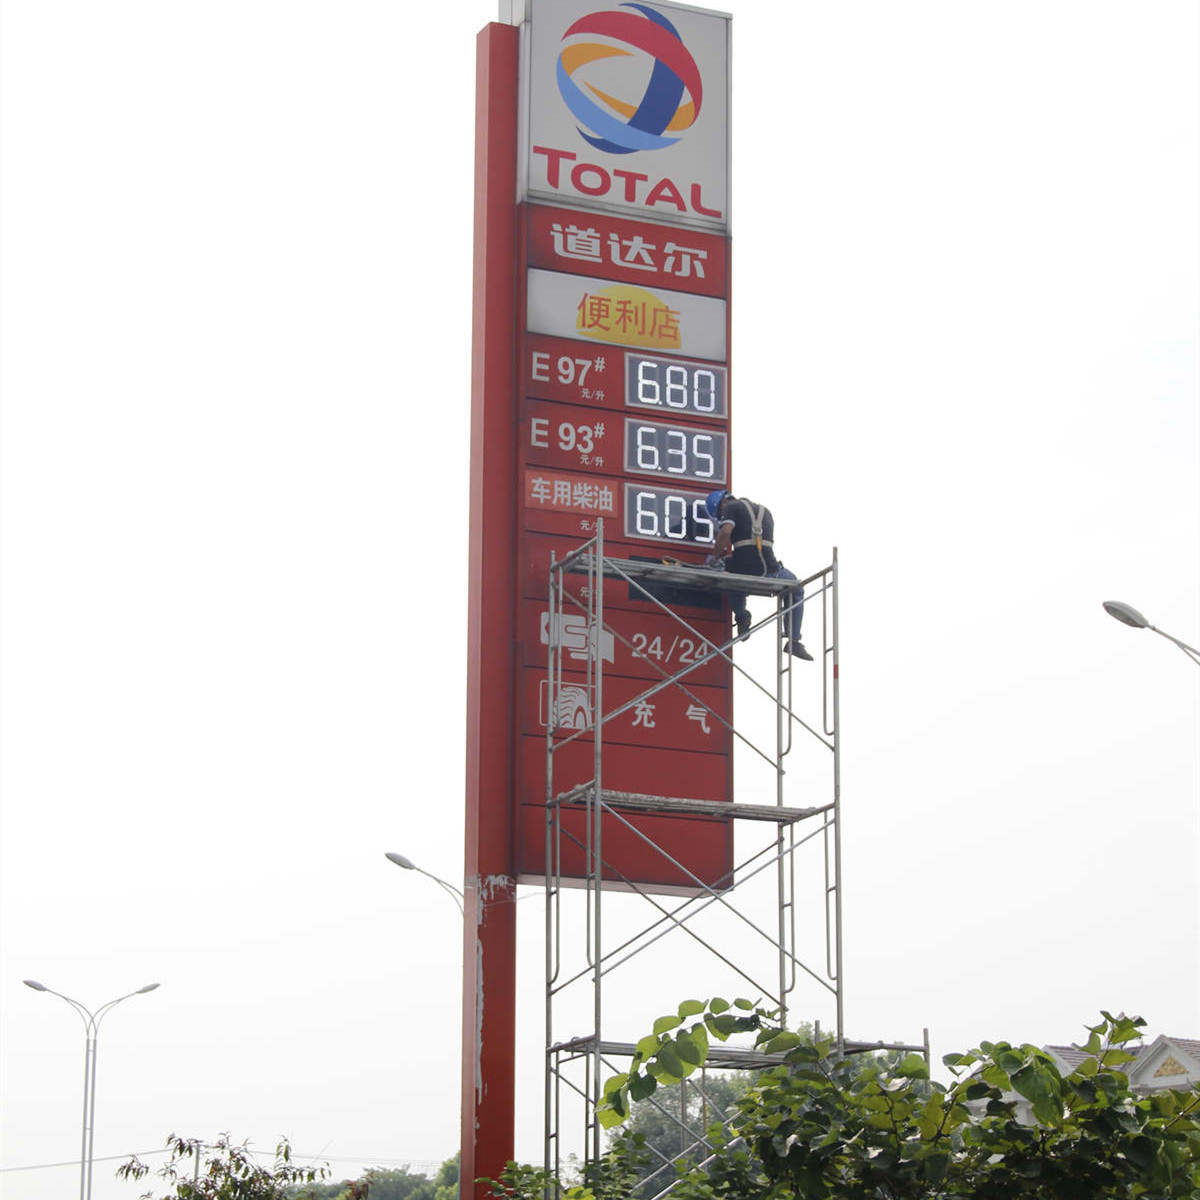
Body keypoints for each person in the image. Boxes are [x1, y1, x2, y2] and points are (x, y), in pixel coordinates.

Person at [702, 490, 812, 660]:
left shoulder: (731, 507)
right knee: (796, 587)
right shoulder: (765, 511)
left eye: (719, 514)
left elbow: (725, 532)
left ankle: (741, 616)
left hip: (743, 569)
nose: (721, 516)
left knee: (732, 580)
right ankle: (794, 640)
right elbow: (758, 548)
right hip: (770, 570)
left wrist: (714, 558)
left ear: (721, 503)